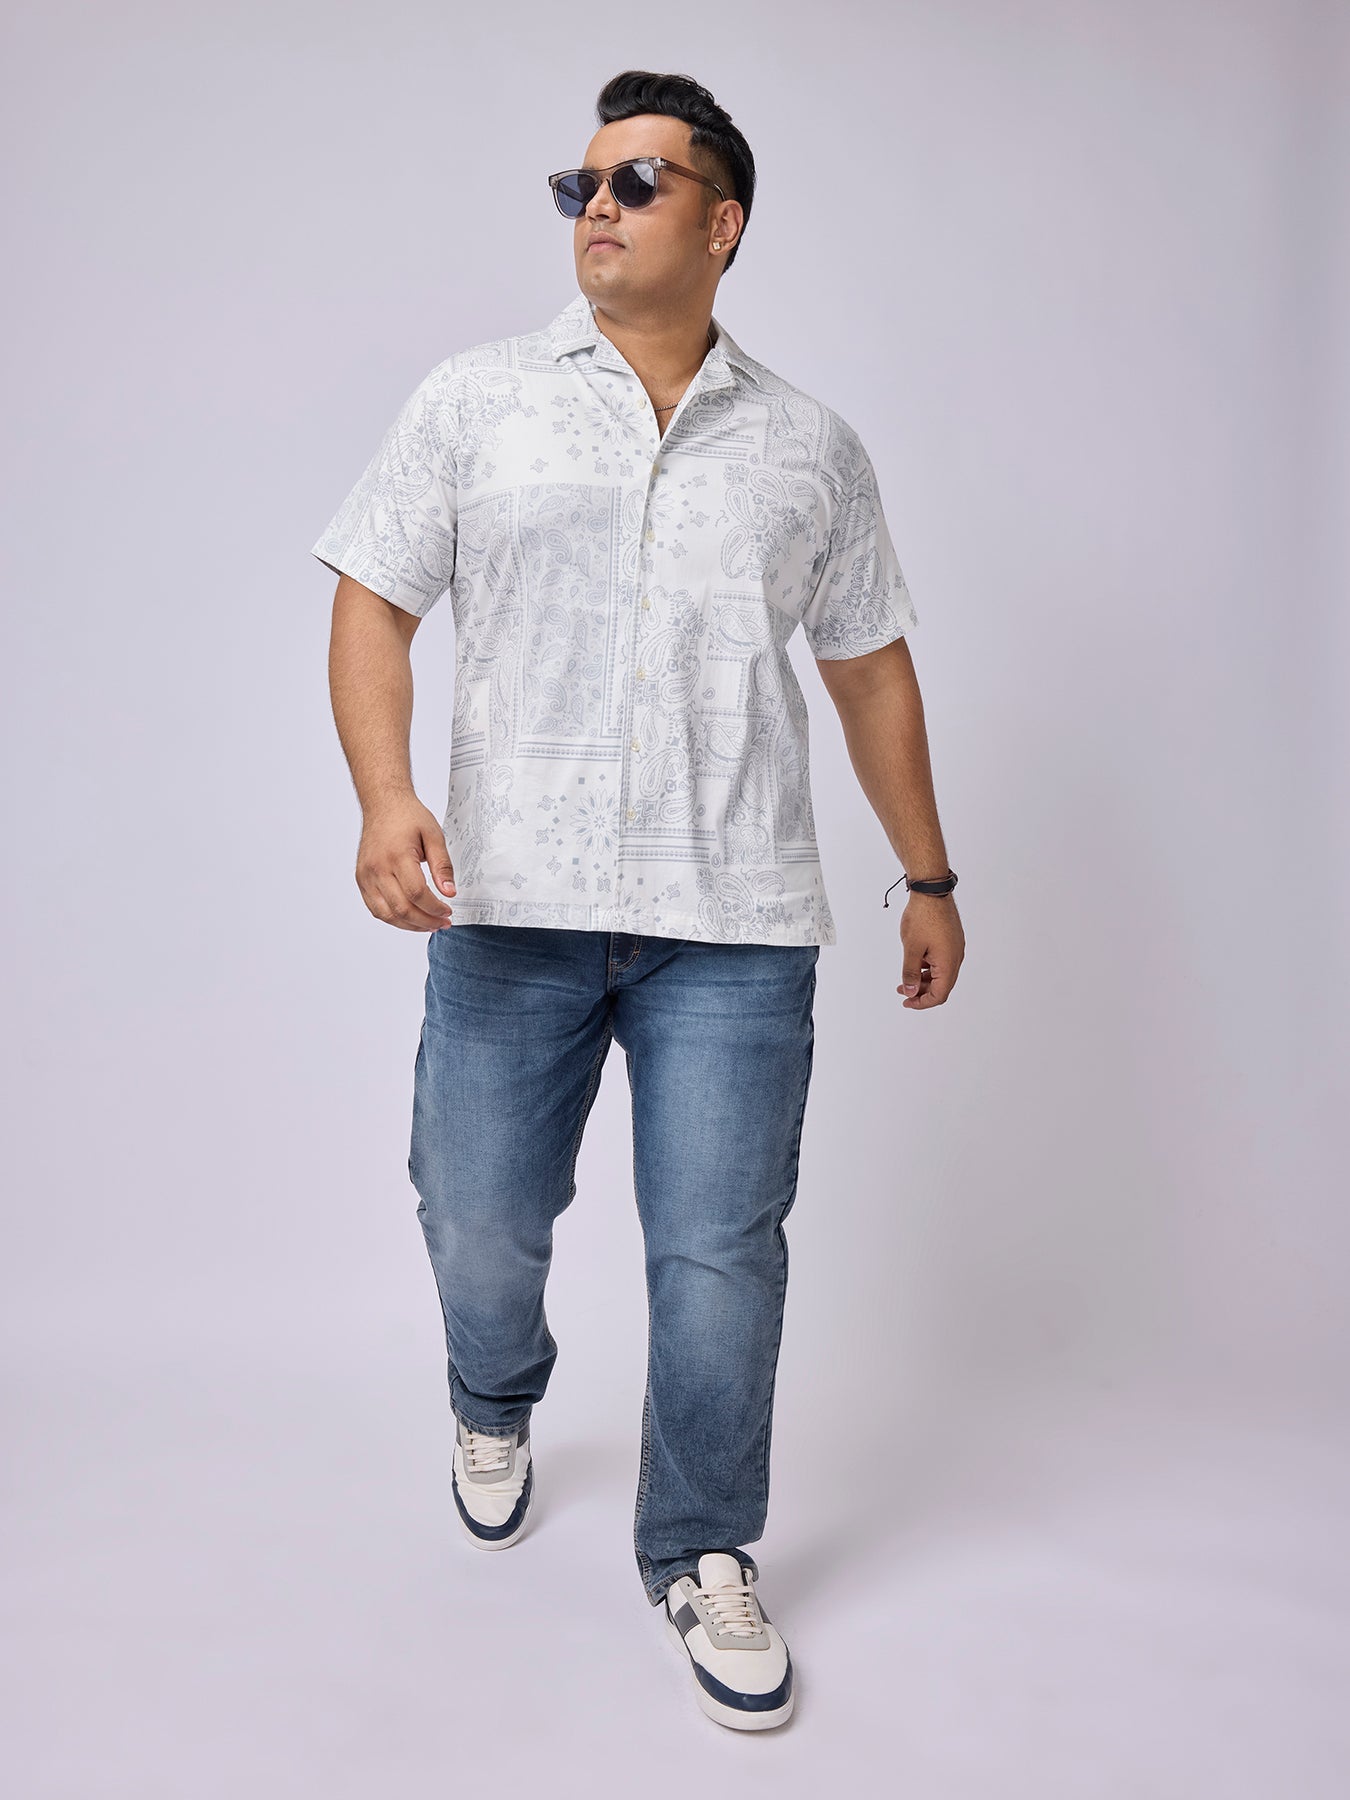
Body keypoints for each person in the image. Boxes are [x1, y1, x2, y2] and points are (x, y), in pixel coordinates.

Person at [310, 68, 965, 1732]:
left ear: (721, 223)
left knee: (719, 1251)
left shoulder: (810, 446)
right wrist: (385, 795)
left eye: (637, 181)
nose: (595, 207)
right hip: (508, 908)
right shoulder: (475, 401)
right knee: (472, 1211)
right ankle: (492, 1394)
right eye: (579, 185)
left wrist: (927, 874)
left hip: (732, 925)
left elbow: (868, 671)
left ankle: (701, 1549)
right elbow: (373, 601)